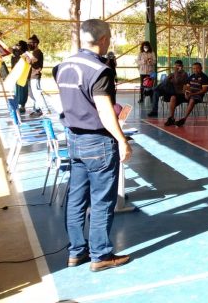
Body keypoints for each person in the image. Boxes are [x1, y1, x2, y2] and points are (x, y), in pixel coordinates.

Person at [54, 19, 131, 272]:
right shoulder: (100, 70)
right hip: (97, 142)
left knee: (76, 198)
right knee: (101, 201)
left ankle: (76, 252)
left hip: (73, 137)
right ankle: (101, 255)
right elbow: (104, 110)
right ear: (104, 39)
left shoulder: (63, 65)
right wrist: (121, 139)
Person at [172, 62, 208, 127]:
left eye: (197, 68)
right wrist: (186, 93)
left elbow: (204, 90)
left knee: (192, 100)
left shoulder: (204, 77)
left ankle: (184, 119)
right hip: (189, 94)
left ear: (201, 68)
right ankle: (171, 118)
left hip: (198, 95)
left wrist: (192, 94)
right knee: (173, 97)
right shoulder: (191, 77)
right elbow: (186, 87)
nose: (195, 70)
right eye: (194, 68)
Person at [23, 35, 47, 117]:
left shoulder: (38, 52)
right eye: (28, 43)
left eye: (30, 43)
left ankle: (44, 110)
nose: (28, 45)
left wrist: (26, 54)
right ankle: (36, 109)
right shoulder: (32, 52)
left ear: (35, 44)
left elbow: (33, 61)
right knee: (31, 94)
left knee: (37, 93)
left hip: (35, 76)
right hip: (30, 76)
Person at [10, 40, 30, 115]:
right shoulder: (16, 53)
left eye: (18, 45)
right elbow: (8, 48)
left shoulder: (25, 54)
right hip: (16, 74)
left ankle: (22, 105)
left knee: (23, 91)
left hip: (23, 74)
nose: (17, 46)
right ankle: (19, 105)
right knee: (17, 90)